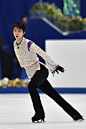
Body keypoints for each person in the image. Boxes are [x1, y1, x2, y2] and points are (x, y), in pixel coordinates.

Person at [13, 22, 84, 123]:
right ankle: (76, 115)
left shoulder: (29, 43)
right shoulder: (15, 44)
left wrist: (54, 66)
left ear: (23, 32)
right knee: (54, 95)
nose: (16, 33)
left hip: (40, 71)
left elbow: (43, 54)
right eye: (15, 30)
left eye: (19, 31)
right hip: (32, 73)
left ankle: (39, 114)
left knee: (31, 87)